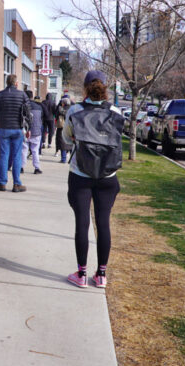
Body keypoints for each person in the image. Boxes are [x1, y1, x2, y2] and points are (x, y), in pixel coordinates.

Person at [63, 70, 123, 288]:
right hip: (108, 176)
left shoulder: (75, 110)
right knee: (103, 222)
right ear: (106, 87)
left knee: (82, 222)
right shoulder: (116, 111)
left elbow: (66, 138)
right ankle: (101, 275)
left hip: (81, 174)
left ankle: (81, 274)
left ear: (86, 87)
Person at [0, 74, 30, 192]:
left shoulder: (0, 95)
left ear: (6, 82)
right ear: (16, 83)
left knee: (4, 155)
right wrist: (28, 128)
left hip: (4, 128)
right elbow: (28, 113)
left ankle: (2, 183)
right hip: (18, 129)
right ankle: (17, 184)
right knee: (16, 156)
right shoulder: (23, 95)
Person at [23, 90, 43, 174]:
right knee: (35, 150)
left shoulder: (23, 106)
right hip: (36, 131)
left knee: (23, 150)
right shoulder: (39, 107)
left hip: (25, 131)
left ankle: (21, 167)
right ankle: (37, 168)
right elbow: (41, 119)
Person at [55, 97, 73, 162]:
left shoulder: (60, 109)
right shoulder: (72, 109)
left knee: (62, 143)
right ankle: (72, 159)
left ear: (63, 103)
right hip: (70, 128)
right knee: (71, 143)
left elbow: (56, 115)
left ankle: (63, 158)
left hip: (62, 127)